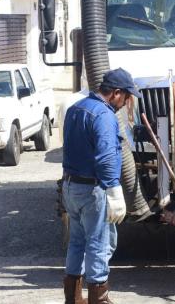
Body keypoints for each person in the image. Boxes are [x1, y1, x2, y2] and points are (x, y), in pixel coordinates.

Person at [61, 68, 141, 304]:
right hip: (92, 190)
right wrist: (115, 192)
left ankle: (73, 298)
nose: (126, 103)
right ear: (116, 93)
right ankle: (99, 299)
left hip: (70, 187)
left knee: (76, 241)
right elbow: (106, 157)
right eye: (126, 97)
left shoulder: (76, 108)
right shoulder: (104, 115)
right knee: (99, 242)